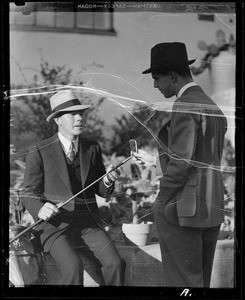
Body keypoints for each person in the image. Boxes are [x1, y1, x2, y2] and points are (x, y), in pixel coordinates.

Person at [133, 42, 227, 287]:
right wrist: (157, 161)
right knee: (201, 282)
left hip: (183, 209)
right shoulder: (212, 105)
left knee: (182, 283)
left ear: (172, 76)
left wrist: (162, 198)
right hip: (212, 207)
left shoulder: (184, 104)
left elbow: (182, 162)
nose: (155, 85)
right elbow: (203, 157)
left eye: (156, 78)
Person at [21, 89, 125, 286]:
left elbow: (100, 189)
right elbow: (27, 192)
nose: (79, 118)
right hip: (54, 226)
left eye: (81, 114)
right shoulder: (39, 150)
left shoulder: (92, 147)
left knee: (115, 263)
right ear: (58, 120)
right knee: (72, 266)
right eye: (72, 114)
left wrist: (108, 180)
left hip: (88, 225)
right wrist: (40, 208)